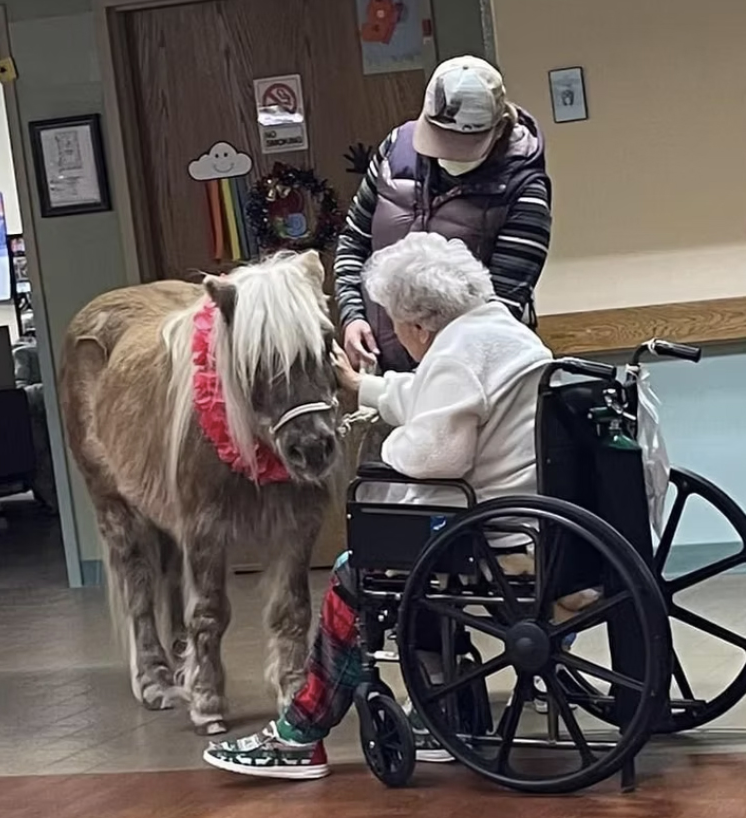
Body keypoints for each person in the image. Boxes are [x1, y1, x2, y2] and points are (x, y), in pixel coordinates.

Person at [203, 232, 554, 780]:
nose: (398, 336)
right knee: (411, 557)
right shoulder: (503, 334)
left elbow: (436, 451)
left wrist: (380, 443)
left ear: (418, 324)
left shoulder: (457, 354)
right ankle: (445, 712)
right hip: (538, 527)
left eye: (394, 324)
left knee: (358, 571)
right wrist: (363, 387)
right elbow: (442, 398)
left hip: (492, 540)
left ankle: (301, 733)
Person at [336, 55, 551, 374]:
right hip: (384, 367)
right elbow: (354, 242)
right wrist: (352, 316)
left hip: (469, 380)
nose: (446, 155)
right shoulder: (395, 151)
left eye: (461, 145)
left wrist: (425, 387)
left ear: (497, 128)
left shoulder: (524, 190)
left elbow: (497, 316)